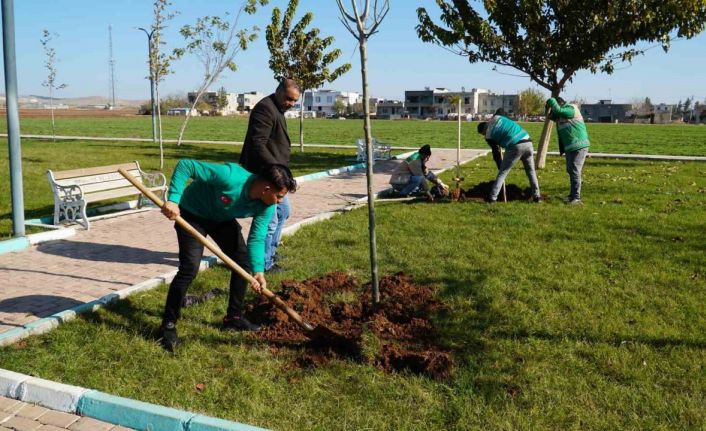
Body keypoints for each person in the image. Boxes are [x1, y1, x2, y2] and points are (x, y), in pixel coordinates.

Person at [158, 160, 297, 352]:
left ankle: (234, 318)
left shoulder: (267, 205)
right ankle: (167, 326)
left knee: (243, 263)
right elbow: (185, 166)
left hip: (221, 219)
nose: (280, 201)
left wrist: (258, 271)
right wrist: (173, 199)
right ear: (266, 188)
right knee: (189, 268)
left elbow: (256, 238)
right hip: (192, 213)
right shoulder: (230, 176)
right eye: (279, 196)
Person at [240, 78, 301, 272]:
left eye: (294, 101)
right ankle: (263, 264)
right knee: (269, 221)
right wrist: (276, 171)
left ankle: (270, 253)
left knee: (283, 212)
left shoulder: (277, 108)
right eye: (289, 99)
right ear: (279, 91)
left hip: (275, 174)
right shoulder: (265, 108)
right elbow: (258, 144)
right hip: (265, 174)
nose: (291, 104)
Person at [477, 114, 541, 203]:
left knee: (503, 173)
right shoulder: (497, 117)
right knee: (531, 171)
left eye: (483, 134)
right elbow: (503, 115)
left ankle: (492, 198)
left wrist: (500, 165)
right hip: (528, 141)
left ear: (483, 131)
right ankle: (537, 196)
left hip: (514, 145)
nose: (484, 136)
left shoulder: (488, 136)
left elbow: (496, 152)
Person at [546, 96, 590, 204]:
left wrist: (551, 100)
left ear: (558, 104)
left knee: (575, 170)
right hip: (571, 147)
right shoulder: (560, 115)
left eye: (554, 107)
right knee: (570, 170)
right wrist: (547, 107)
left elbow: (558, 110)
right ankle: (572, 195)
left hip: (579, 146)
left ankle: (576, 198)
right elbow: (549, 116)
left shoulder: (571, 109)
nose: (554, 111)